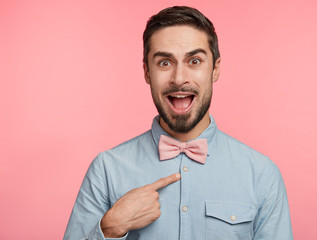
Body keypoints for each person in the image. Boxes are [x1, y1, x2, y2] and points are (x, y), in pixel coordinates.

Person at [64, 6, 293, 240]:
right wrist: (109, 229)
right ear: (146, 72)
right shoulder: (106, 170)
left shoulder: (262, 175)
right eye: (165, 63)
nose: (179, 78)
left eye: (194, 61)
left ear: (215, 69)